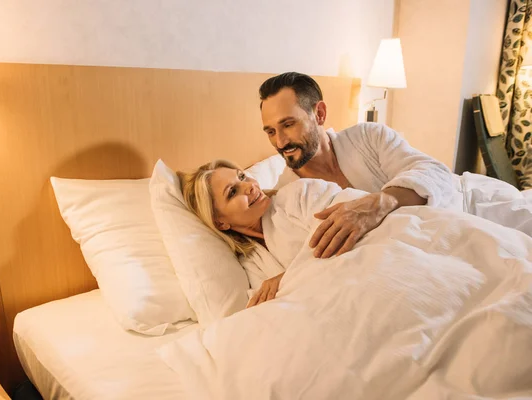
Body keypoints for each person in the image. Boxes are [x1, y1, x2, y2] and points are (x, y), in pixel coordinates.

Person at [258, 72, 532, 257]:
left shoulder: (368, 136)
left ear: (319, 113)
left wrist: (380, 202)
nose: (280, 142)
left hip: (472, 203)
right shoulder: (290, 195)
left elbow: (436, 172)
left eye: (288, 124)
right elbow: (308, 256)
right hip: (430, 251)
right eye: (270, 131)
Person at [178, 159, 366, 308]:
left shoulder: (299, 194)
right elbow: (267, 308)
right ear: (220, 222)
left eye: (242, 177)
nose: (249, 186)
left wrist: (283, 280)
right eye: (233, 191)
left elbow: (345, 235)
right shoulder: (249, 262)